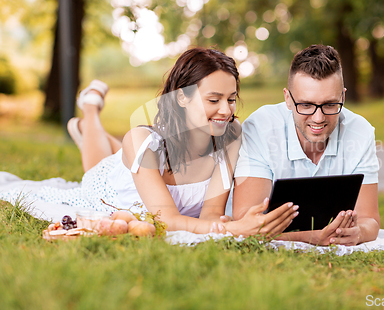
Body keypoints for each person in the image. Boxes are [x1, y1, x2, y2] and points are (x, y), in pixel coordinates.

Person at [4, 47, 298, 236]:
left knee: (129, 153)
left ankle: (101, 137)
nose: (226, 110)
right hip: (115, 189)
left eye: (232, 99)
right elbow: (167, 218)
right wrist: (234, 230)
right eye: (214, 99)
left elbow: (210, 214)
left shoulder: (231, 137)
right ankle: (91, 109)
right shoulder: (142, 140)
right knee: (97, 165)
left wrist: (227, 225)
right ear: (182, 97)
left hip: (147, 164)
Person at [232, 44, 380, 246]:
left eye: (330, 104)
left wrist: (358, 233)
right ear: (287, 99)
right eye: (306, 105)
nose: (318, 118)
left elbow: (370, 220)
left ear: (343, 97)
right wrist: (310, 237)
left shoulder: (360, 132)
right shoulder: (260, 128)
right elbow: (244, 221)